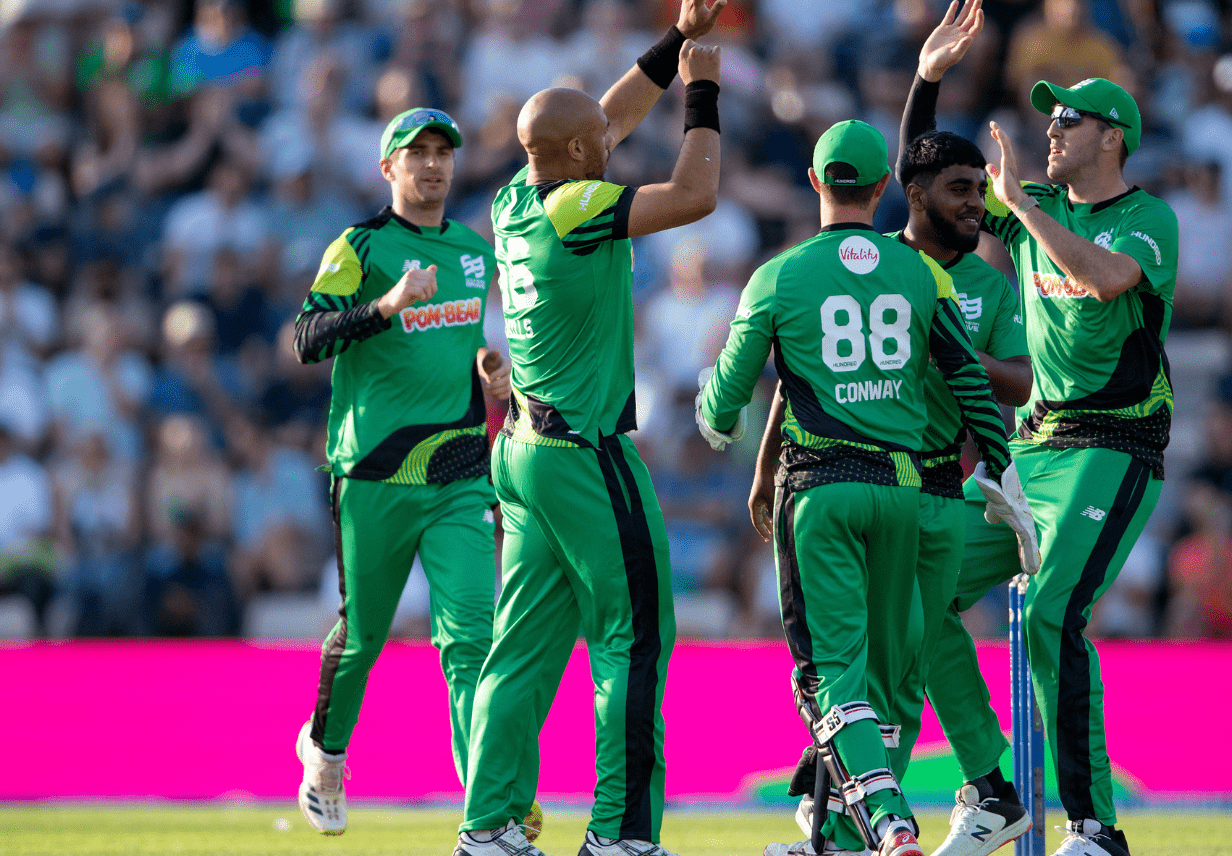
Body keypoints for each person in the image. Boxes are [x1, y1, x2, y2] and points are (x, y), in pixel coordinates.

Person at [699, 111, 1030, 856]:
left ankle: (883, 825)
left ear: (815, 182)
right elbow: (969, 381)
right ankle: (848, 836)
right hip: (910, 495)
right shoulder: (921, 273)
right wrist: (1004, 473)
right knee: (893, 681)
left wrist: (719, 420)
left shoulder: (778, 275)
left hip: (822, 491)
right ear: (885, 187)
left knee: (830, 680)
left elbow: (725, 404)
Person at [455, 2, 727, 855]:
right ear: (575, 158)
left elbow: (601, 119)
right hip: (582, 456)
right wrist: (703, 92)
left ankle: (489, 827)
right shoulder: (576, 205)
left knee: (522, 651)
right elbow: (696, 193)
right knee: (635, 638)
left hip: (523, 451)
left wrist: (675, 39)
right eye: (597, 146)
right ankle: (619, 833)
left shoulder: (511, 200)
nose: (612, 142)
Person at [906, 9, 1178, 855]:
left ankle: (1095, 827)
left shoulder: (1145, 218)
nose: (1050, 128)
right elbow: (924, 179)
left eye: (1070, 119)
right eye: (1050, 115)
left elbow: (1102, 281)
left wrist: (1021, 205)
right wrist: (927, 79)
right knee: (918, 596)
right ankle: (992, 790)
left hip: (1114, 446)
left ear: (1115, 137)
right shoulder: (1039, 205)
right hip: (1033, 447)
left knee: (1054, 614)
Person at [290, 106, 512, 837]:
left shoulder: (474, 252)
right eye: (414, 153)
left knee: (472, 639)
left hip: (456, 470)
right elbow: (306, 338)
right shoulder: (360, 245)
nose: (432, 164)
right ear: (388, 168)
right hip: (373, 474)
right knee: (363, 639)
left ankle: (490, 802)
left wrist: (490, 374)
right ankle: (324, 752)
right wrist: (385, 305)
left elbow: (459, 348)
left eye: (442, 151)